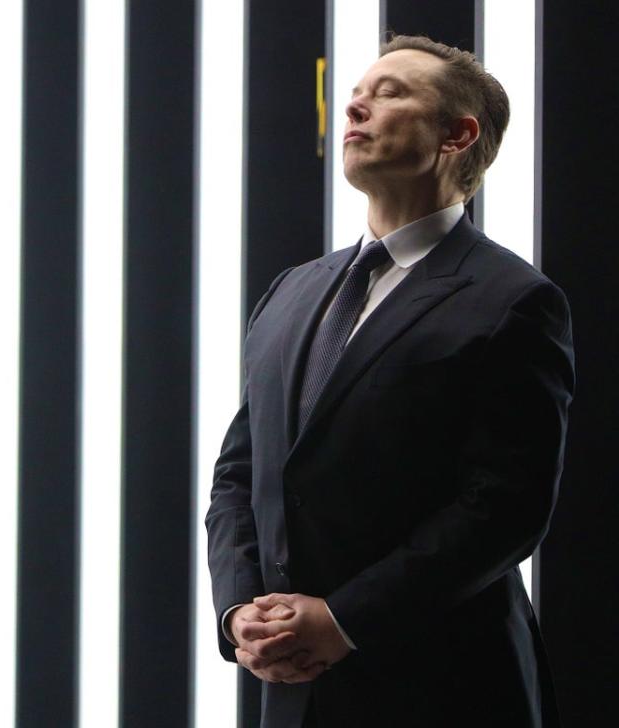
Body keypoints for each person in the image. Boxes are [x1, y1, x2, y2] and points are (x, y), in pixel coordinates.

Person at [205, 35, 575, 728]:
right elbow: (238, 473)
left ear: (456, 135)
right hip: (292, 688)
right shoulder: (291, 290)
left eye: (390, 92)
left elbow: (504, 507)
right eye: (356, 93)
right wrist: (238, 611)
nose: (356, 103)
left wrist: (342, 620)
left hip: (445, 687)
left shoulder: (512, 299)